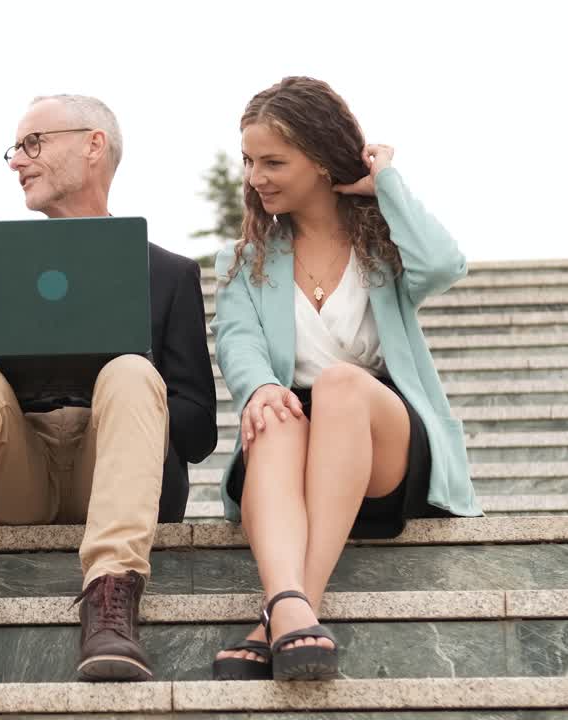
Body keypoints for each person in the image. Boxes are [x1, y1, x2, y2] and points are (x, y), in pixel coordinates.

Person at [0, 95, 217, 684]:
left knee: (132, 372)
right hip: (24, 478)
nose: (18, 160)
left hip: (115, 474)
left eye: (33, 143)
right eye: (15, 148)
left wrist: (119, 379)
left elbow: (197, 431)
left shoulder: (169, 274)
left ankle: (111, 604)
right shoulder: (0, 269)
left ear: (93, 144)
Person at [210, 77, 482, 682]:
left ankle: (280, 611)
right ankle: (292, 610)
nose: (257, 176)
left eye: (274, 161)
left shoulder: (384, 245)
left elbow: (444, 263)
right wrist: (258, 387)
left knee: (339, 384)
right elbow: (238, 341)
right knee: (276, 409)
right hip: (294, 448)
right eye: (250, 161)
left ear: (321, 158)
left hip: (377, 436)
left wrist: (386, 183)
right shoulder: (246, 260)